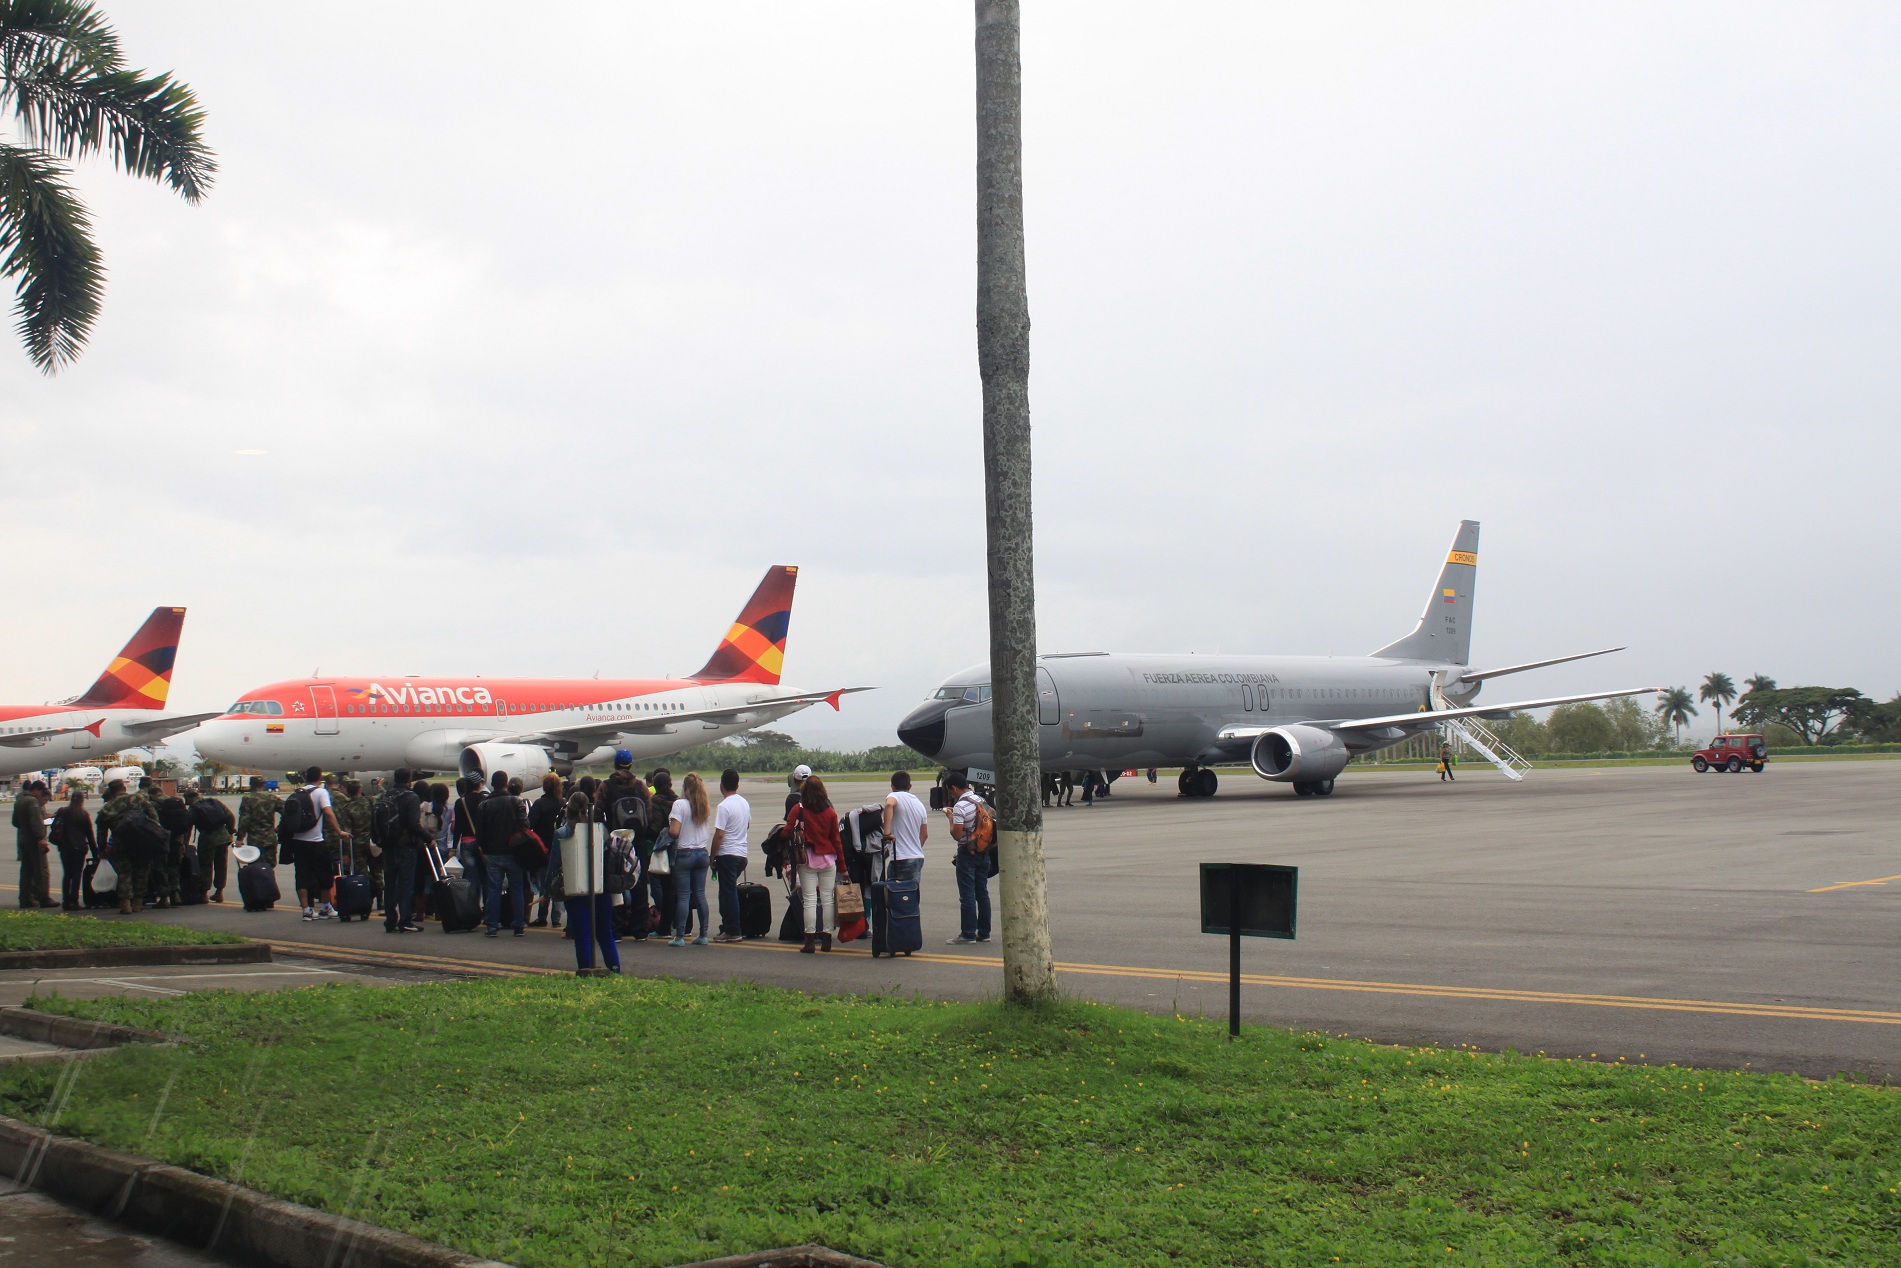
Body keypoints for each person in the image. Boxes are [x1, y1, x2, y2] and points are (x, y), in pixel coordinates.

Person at [563, 780, 619, 975]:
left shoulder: (563, 832)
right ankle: (615, 970)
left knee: (583, 935)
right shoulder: (600, 829)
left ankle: (585, 970)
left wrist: (547, 890)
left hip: (575, 887)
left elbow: (555, 863)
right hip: (599, 886)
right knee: (605, 934)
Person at [595, 751, 651, 935]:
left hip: (617, 841)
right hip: (638, 840)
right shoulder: (640, 786)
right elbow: (648, 815)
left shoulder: (607, 786)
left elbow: (597, 813)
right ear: (631, 764)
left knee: (616, 883)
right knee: (640, 883)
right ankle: (640, 929)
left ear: (615, 765)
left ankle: (617, 928)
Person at [786, 774, 841, 953]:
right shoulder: (830, 812)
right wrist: (844, 867)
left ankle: (809, 940)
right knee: (827, 899)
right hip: (828, 858)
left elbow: (787, 831)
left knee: (809, 900)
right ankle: (827, 939)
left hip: (807, 858)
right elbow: (836, 840)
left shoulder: (798, 809)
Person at [475, 769, 530, 937]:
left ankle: (492, 925)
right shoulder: (516, 801)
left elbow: (480, 832)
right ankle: (519, 924)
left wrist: (485, 849)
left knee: (493, 889)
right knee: (517, 889)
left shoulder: (484, 804)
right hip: (514, 851)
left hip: (493, 852)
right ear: (506, 784)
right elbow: (525, 824)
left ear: (493, 784)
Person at [374, 768, 427, 934]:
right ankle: (405, 920)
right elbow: (414, 824)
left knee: (390, 883)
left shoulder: (385, 796)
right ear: (409, 779)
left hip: (388, 845)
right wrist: (428, 839)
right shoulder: (411, 797)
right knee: (405, 884)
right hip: (406, 846)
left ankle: (390, 920)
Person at [288, 765, 344, 921]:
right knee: (325, 874)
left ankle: (307, 910)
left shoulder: (297, 792)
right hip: (316, 841)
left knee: (301, 875)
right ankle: (326, 907)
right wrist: (339, 831)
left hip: (298, 841)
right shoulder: (321, 792)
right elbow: (327, 812)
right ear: (320, 777)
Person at [94, 777, 158, 914]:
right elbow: (154, 816)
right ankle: (138, 902)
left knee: (125, 873)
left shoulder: (108, 806)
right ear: (124, 788)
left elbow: (101, 830)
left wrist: (102, 848)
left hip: (121, 844)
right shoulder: (138, 799)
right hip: (141, 842)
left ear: (111, 791)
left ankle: (125, 903)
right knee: (141, 871)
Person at [666, 772, 714, 947]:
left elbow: (674, 831)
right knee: (700, 894)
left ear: (685, 788)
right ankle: (703, 933)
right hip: (702, 853)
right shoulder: (703, 805)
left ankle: (679, 936)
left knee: (684, 896)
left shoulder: (679, 804)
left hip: (685, 853)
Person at [944, 772, 991, 944]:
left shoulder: (960, 806)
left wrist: (950, 818)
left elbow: (957, 834)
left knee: (967, 895)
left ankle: (968, 933)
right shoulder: (980, 800)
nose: (952, 795)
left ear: (954, 788)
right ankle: (984, 932)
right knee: (982, 893)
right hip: (984, 850)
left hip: (967, 852)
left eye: (951, 792)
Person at [710, 768, 752, 943]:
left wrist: (712, 856)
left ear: (722, 785)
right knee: (730, 892)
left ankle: (732, 930)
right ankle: (731, 926)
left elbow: (719, 834)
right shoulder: (744, 803)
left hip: (727, 853)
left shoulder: (724, 806)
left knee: (727, 894)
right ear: (737, 784)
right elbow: (747, 826)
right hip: (742, 854)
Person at [336, 778, 380, 912]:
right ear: (360, 789)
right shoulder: (370, 802)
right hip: (373, 842)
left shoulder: (347, 808)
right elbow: (381, 796)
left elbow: (346, 832)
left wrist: (345, 852)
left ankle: (365, 899)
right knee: (378, 872)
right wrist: (380, 786)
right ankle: (381, 900)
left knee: (362, 874)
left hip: (357, 845)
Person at [528, 773, 564, 929]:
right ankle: (556, 917)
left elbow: (530, 824)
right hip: (560, 846)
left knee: (545, 882)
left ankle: (542, 915)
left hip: (543, 847)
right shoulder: (562, 804)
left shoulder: (539, 804)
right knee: (559, 881)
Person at [188, 787, 236, 902]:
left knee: (205, 866)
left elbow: (188, 826)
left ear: (190, 798)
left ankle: (203, 893)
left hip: (207, 839)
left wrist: (186, 843)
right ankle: (219, 892)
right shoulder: (214, 802)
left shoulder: (193, 809)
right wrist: (230, 832)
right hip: (223, 838)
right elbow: (230, 816)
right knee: (221, 865)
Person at [882, 770, 928, 887]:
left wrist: (886, 833)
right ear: (910, 786)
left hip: (901, 858)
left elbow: (889, 805)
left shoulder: (894, 796)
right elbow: (924, 834)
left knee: (896, 897)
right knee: (911, 897)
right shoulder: (919, 804)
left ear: (892, 786)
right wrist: (914, 847)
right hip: (917, 857)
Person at [647, 769, 678, 940]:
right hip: (678, 847)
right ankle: (682, 925)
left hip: (661, 848)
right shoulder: (678, 801)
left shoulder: (655, 802)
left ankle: (665, 925)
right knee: (677, 889)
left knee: (662, 888)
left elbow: (655, 826)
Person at [51, 788, 95, 910]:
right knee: (76, 874)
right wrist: (95, 851)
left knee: (67, 874)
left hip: (65, 847)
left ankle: (66, 900)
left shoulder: (63, 811)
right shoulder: (84, 815)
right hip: (79, 848)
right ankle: (74, 901)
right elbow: (90, 835)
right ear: (82, 801)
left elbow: (54, 825)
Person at [12, 779, 54, 908]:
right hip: (33, 840)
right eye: (40, 791)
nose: (40, 794)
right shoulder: (33, 802)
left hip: (23, 838)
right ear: (35, 790)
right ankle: (44, 898)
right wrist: (40, 837)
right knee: (41, 869)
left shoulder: (19, 800)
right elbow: (36, 822)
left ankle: (25, 899)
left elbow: (15, 822)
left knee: (26, 871)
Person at [236, 776, 282, 868]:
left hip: (255, 840)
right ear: (263, 785)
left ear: (251, 785)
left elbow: (244, 820)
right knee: (269, 867)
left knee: (255, 868)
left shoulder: (248, 798)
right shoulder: (272, 798)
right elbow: (288, 812)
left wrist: (240, 838)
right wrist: (279, 828)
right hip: (270, 838)